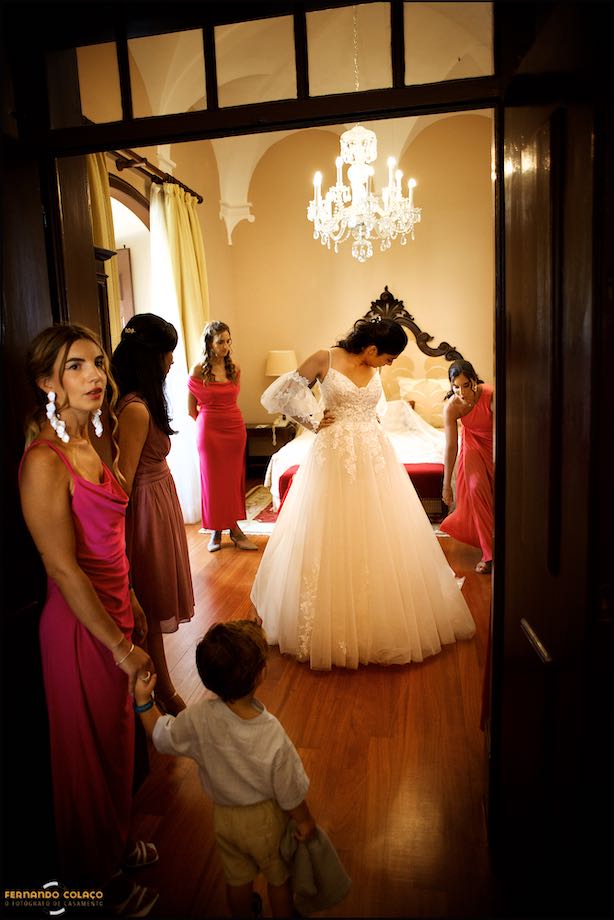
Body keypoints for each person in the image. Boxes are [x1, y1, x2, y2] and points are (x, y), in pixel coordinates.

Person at [18, 323, 159, 916]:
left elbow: (109, 545)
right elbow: (64, 569)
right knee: (84, 757)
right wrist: (121, 649)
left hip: (116, 611)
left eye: (98, 361)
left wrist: (135, 604)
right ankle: (94, 877)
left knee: (116, 744)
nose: (95, 374)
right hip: (80, 629)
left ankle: (116, 841)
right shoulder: (44, 462)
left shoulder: (96, 442)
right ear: (48, 381)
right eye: (75, 366)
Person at [250, 316, 476, 670]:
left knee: (378, 529)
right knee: (331, 529)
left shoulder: (375, 370)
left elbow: (377, 410)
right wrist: (310, 419)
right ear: (371, 349)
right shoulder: (324, 358)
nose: (390, 364)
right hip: (334, 455)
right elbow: (280, 393)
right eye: (388, 358)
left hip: (373, 454)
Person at [133, 619, 316, 919]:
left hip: (224, 818)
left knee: (238, 880)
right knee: (279, 878)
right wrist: (305, 821)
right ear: (261, 674)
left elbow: (162, 736)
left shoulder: (198, 718)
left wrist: (143, 702)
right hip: (265, 822)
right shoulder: (270, 732)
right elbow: (290, 787)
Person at [111, 314, 195, 716]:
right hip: (145, 512)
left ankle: (159, 687)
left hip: (158, 501)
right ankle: (161, 691)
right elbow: (122, 482)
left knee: (154, 598)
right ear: (151, 358)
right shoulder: (136, 409)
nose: (173, 362)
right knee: (149, 599)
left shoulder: (143, 403)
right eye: (168, 354)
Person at [188, 321, 257, 553]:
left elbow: (232, 398)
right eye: (220, 342)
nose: (225, 346)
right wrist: (208, 429)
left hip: (234, 429)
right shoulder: (198, 370)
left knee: (232, 480)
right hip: (209, 431)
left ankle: (235, 530)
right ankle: (216, 531)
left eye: (228, 341)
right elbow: (191, 409)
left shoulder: (234, 369)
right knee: (213, 482)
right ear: (209, 343)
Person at [440, 360, 494, 575]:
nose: (461, 391)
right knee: (475, 488)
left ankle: (504, 544)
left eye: (465, 384)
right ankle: (489, 554)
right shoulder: (452, 407)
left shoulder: (490, 394)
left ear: (474, 380)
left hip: (496, 445)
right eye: (456, 386)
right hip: (472, 446)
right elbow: (451, 446)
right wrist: (446, 485)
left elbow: (504, 431)